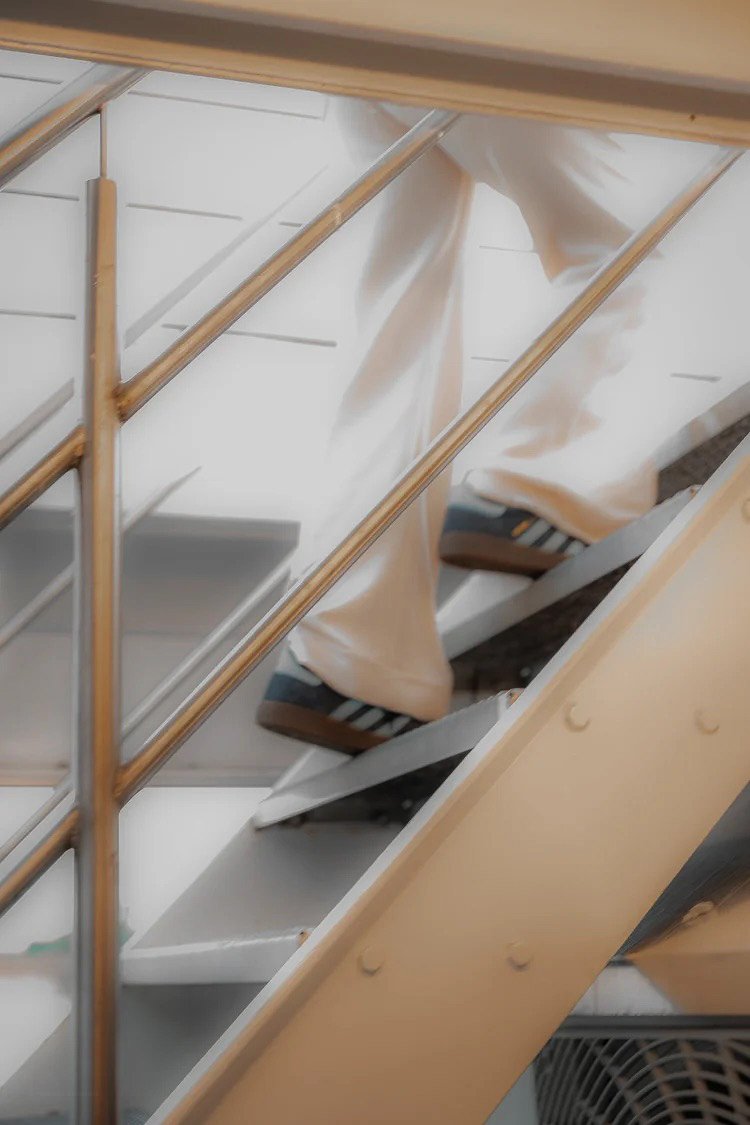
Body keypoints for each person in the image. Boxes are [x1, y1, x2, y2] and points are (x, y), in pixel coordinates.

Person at [257, 98, 669, 753]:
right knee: (648, 238)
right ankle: (545, 478)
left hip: (367, 45)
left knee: (399, 325)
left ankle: (350, 657)